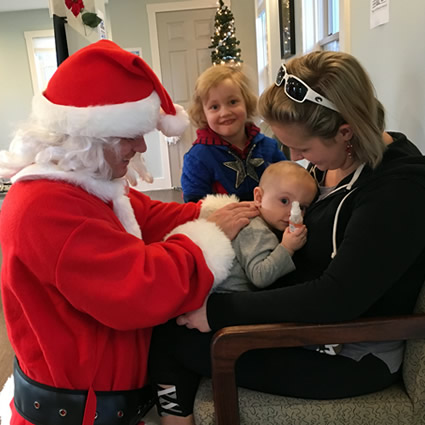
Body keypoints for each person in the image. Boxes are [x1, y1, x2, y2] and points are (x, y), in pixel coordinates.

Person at [148, 50, 425, 424]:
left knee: (172, 336)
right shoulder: (329, 164)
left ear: (346, 132)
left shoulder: (398, 189)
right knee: (168, 310)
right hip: (301, 326)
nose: (295, 157)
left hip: (347, 354)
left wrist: (217, 312)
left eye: (304, 148)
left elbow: (337, 298)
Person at [0, 40, 258, 425]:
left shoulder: (85, 185)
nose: (140, 146)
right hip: (81, 413)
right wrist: (208, 239)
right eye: (128, 135)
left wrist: (213, 211)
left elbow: (150, 216)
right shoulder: (46, 206)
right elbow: (138, 290)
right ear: (85, 137)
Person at [181, 64, 286, 203]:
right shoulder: (197, 158)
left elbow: (288, 181)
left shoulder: (268, 147)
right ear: (203, 113)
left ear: (246, 103)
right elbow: (194, 206)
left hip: (272, 220)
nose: (225, 112)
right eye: (214, 107)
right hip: (222, 223)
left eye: (232, 102)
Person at [216, 160, 317, 293]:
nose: (293, 212)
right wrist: (287, 248)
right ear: (258, 197)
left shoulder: (264, 223)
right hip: (229, 298)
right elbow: (260, 276)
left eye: (301, 207)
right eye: (284, 201)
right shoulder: (254, 229)